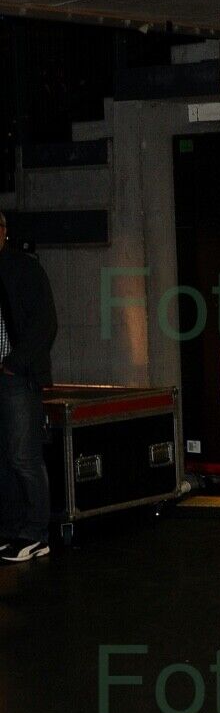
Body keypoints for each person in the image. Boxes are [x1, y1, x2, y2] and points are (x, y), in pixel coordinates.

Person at [0, 211, 58, 561]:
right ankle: (11, 530)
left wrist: (15, 363)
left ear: (4, 232)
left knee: (24, 457)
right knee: (5, 459)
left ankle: (36, 532)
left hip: (16, 376)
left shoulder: (24, 268)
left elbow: (45, 323)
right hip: (8, 372)